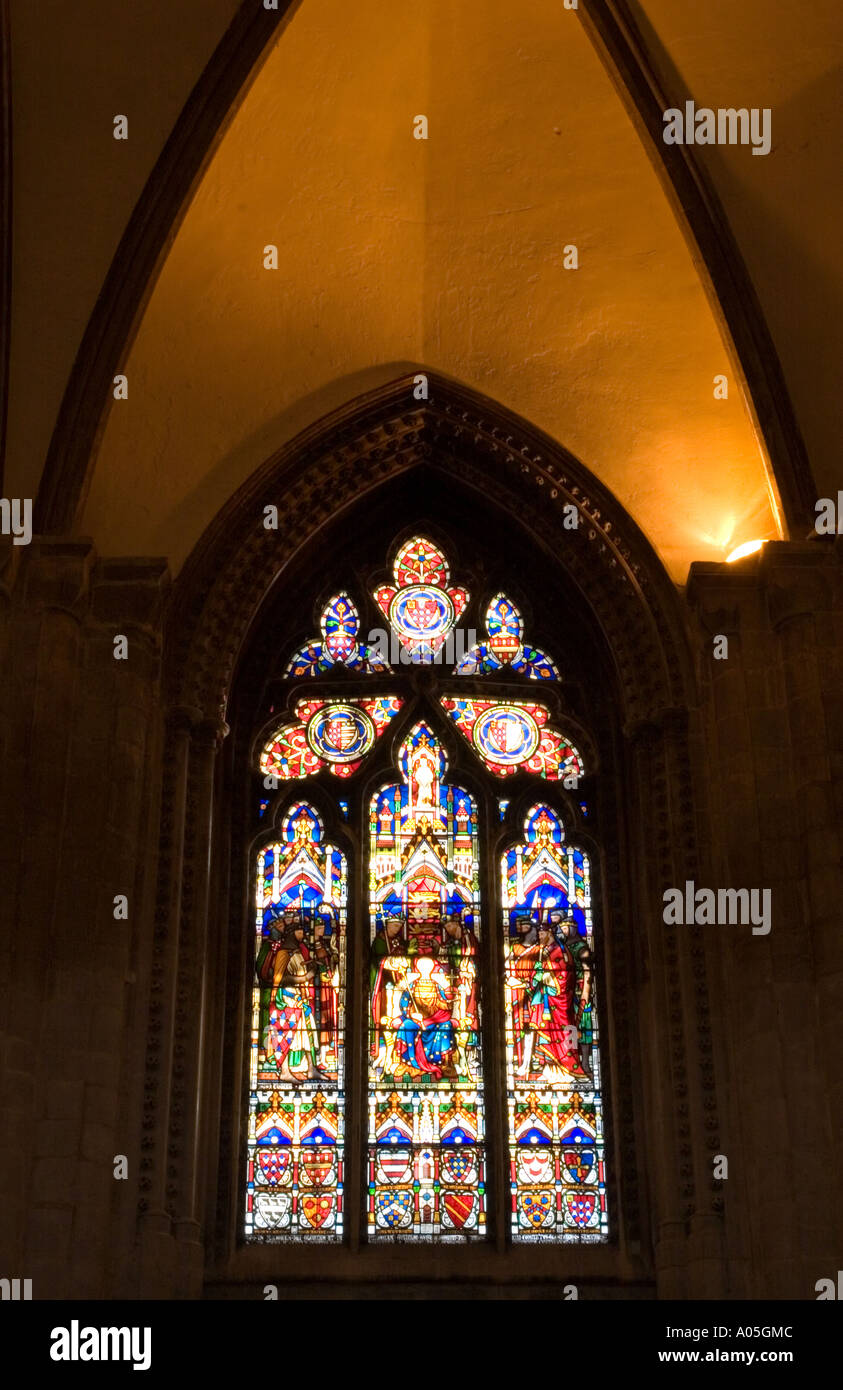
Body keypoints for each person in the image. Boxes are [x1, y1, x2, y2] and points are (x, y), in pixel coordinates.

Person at [516, 920, 587, 1081]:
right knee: (542, 1031)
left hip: (558, 1001)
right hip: (544, 1000)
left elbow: (564, 976)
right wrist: (535, 978)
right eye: (539, 934)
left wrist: (544, 976)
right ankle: (549, 1069)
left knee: (563, 1033)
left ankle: (565, 1071)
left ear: (549, 934)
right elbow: (538, 970)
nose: (539, 937)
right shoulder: (545, 950)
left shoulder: (559, 951)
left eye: (542, 934)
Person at [558, 915, 594, 1079]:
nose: (564, 931)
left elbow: (587, 971)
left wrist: (586, 991)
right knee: (570, 1026)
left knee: (584, 1026)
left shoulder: (582, 947)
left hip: (580, 990)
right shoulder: (564, 946)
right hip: (567, 991)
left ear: (573, 928)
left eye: (566, 928)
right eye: (562, 929)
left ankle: (585, 1062)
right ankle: (573, 1061)